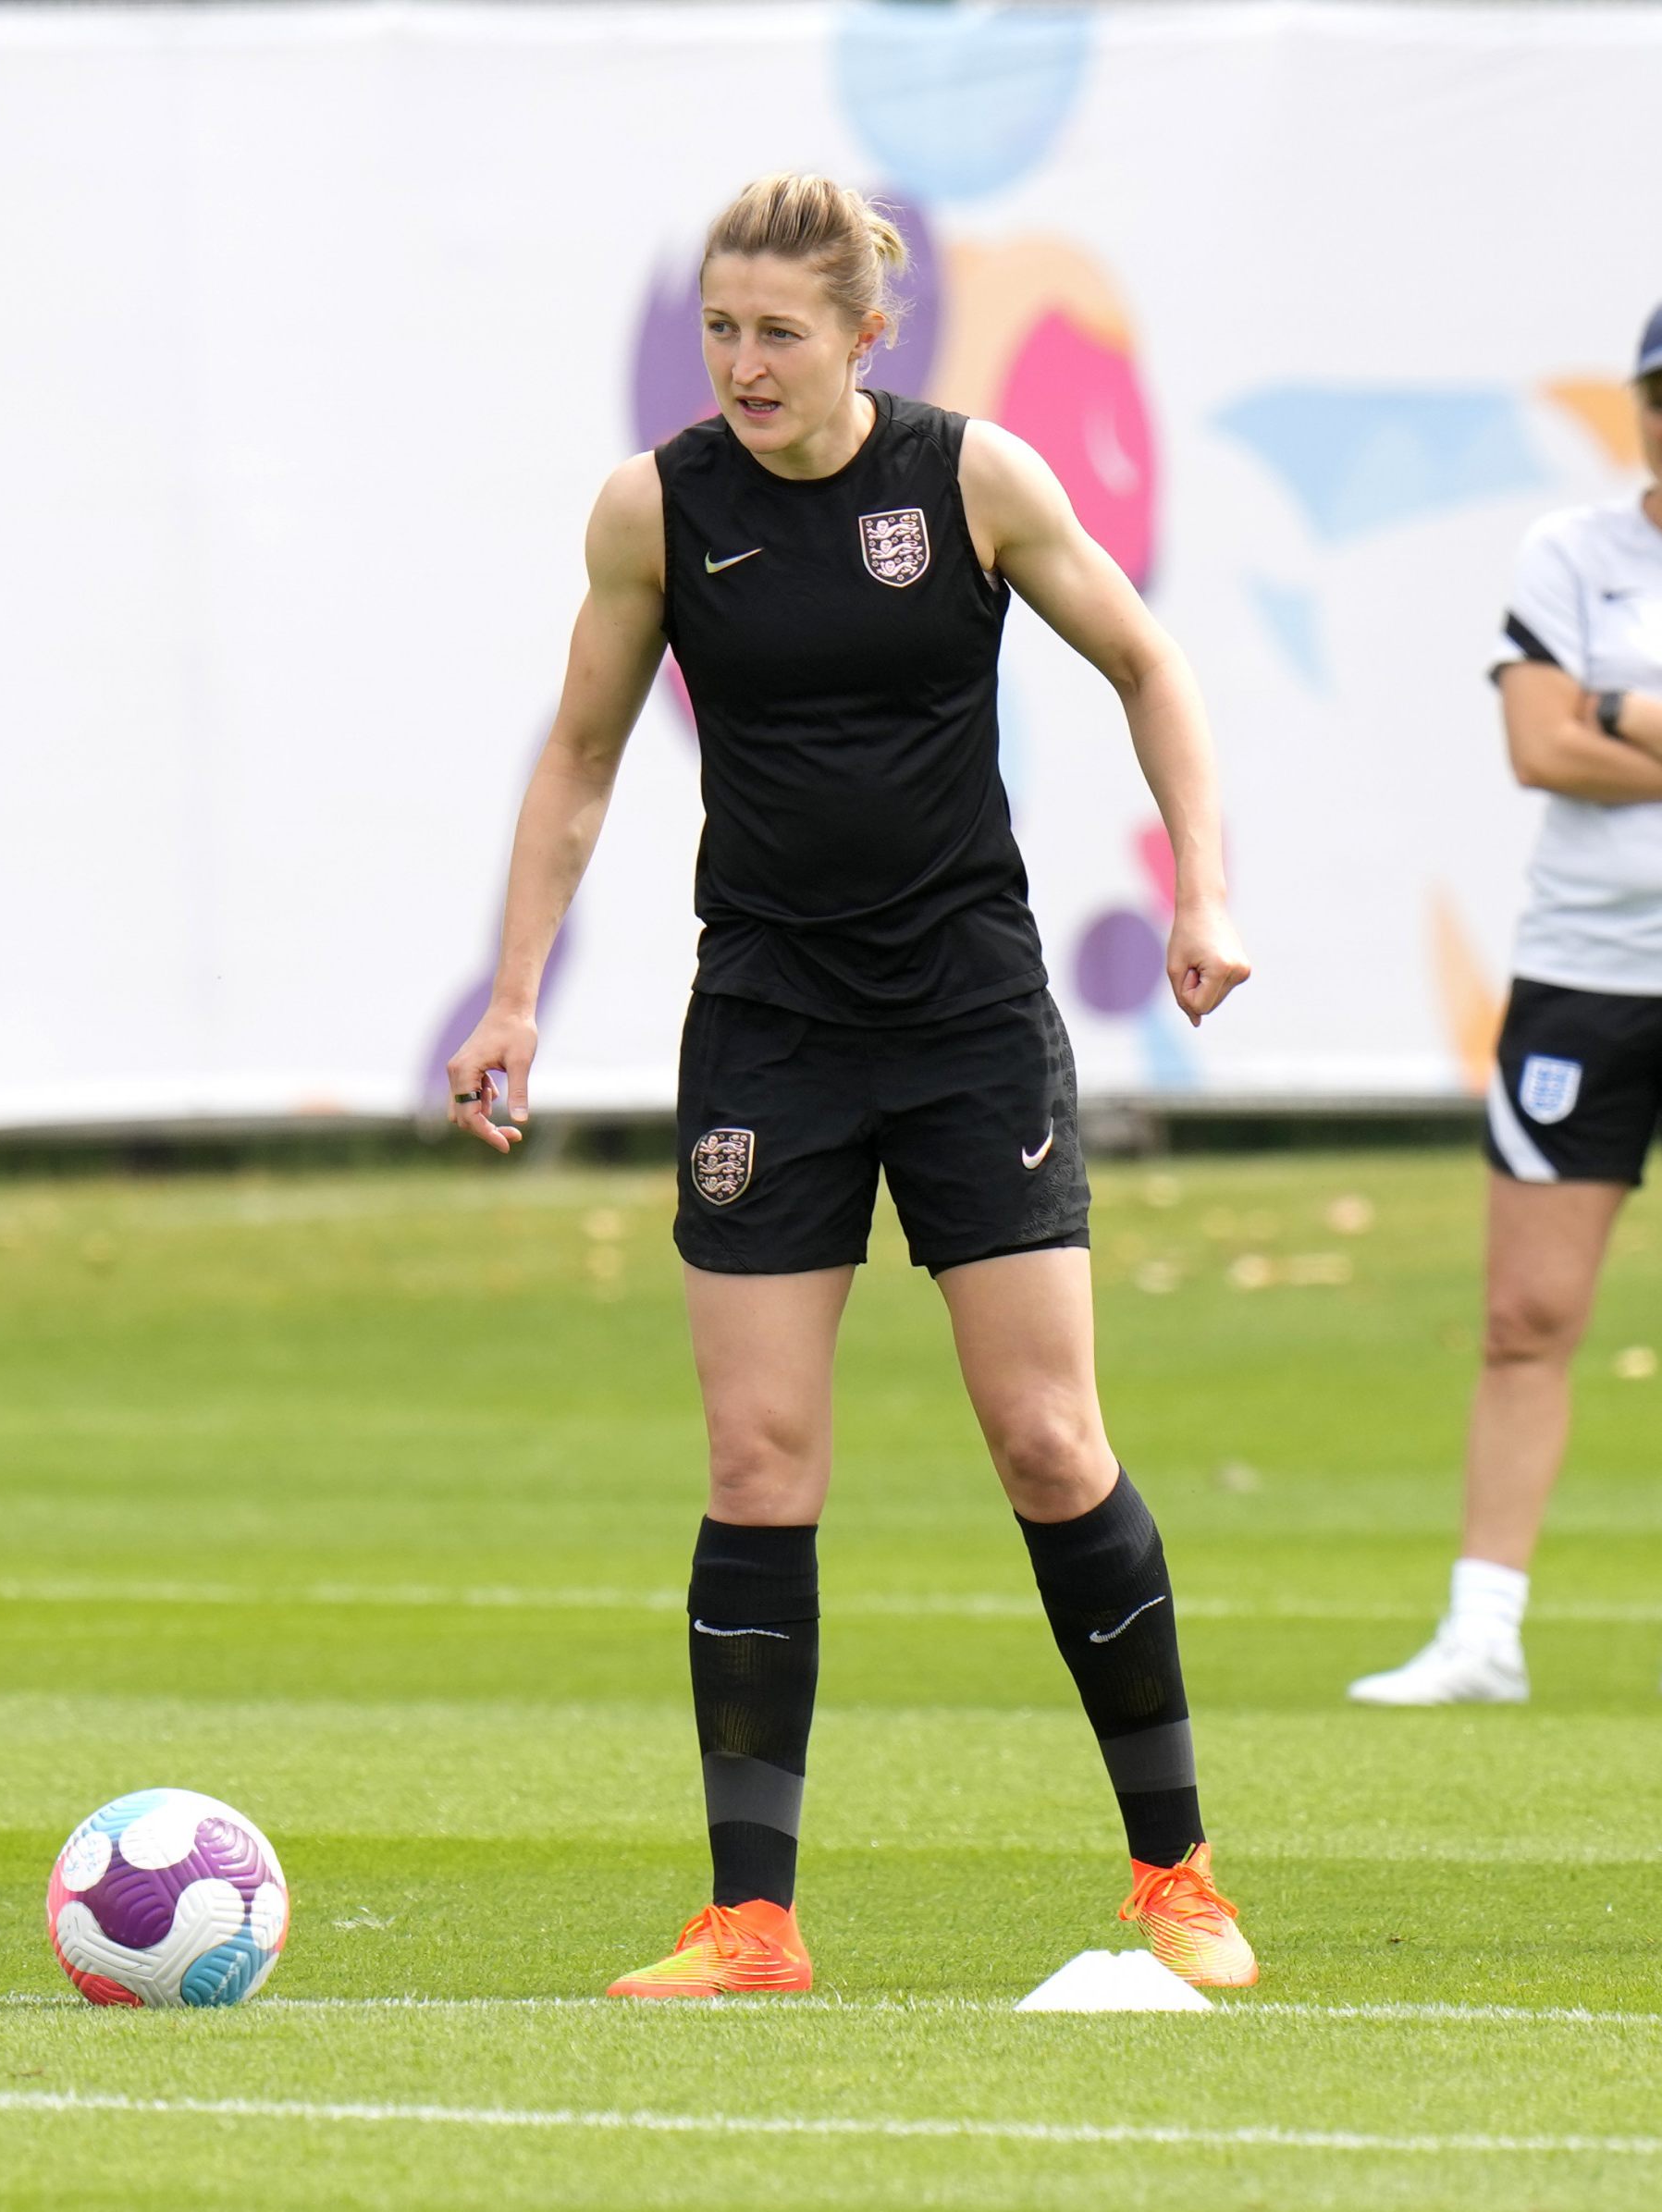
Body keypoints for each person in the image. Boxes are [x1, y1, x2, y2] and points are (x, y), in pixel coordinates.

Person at [446, 174, 1258, 1996]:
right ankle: (752, 1920)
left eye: (778, 332)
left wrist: (1201, 885)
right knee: (756, 1457)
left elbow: (1147, 661)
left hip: (967, 1011)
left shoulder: (970, 482)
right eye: (719, 329)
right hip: (769, 1022)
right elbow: (576, 757)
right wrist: (513, 995)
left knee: (1050, 1442)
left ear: (863, 339)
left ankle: (1177, 1872)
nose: (741, 362)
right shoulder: (652, 510)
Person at [1348, 290, 1662, 1710]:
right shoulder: (1569, 551)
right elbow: (1542, 751)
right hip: (1585, 975)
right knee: (1527, 1313)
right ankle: (1482, 1633)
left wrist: (1629, 710)